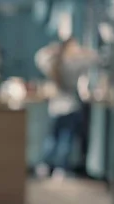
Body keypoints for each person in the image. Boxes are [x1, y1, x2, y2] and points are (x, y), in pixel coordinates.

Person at [35, 37, 98, 179]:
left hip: (55, 108)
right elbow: (95, 58)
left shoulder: (52, 63)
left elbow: (39, 56)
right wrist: (82, 52)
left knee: (52, 138)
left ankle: (44, 165)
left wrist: (54, 49)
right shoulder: (71, 64)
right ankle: (60, 169)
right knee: (66, 139)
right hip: (70, 107)